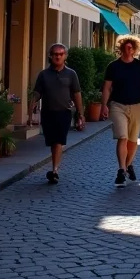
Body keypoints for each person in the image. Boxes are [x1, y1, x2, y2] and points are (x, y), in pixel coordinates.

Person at [100, 35, 140, 188]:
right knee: (122, 137)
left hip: (136, 105)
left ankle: (128, 165)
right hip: (117, 105)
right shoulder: (113, 66)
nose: (129, 49)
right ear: (122, 48)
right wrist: (104, 105)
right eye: (126, 47)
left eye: (132, 47)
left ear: (135, 49)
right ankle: (121, 170)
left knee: (133, 140)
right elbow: (107, 87)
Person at [30, 43, 84, 184]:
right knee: (52, 141)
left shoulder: (71, 74)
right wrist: (32, 106)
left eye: (61, 54)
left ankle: (54, 170)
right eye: (55, 54)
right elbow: (37, 93)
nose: (58, 56)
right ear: (50, 56)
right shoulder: (44, 75)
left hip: (64, 113)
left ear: (65, 56)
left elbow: (77, 94)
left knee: (58, 141)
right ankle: (54, 167)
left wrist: (80, 114)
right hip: (48, 113)